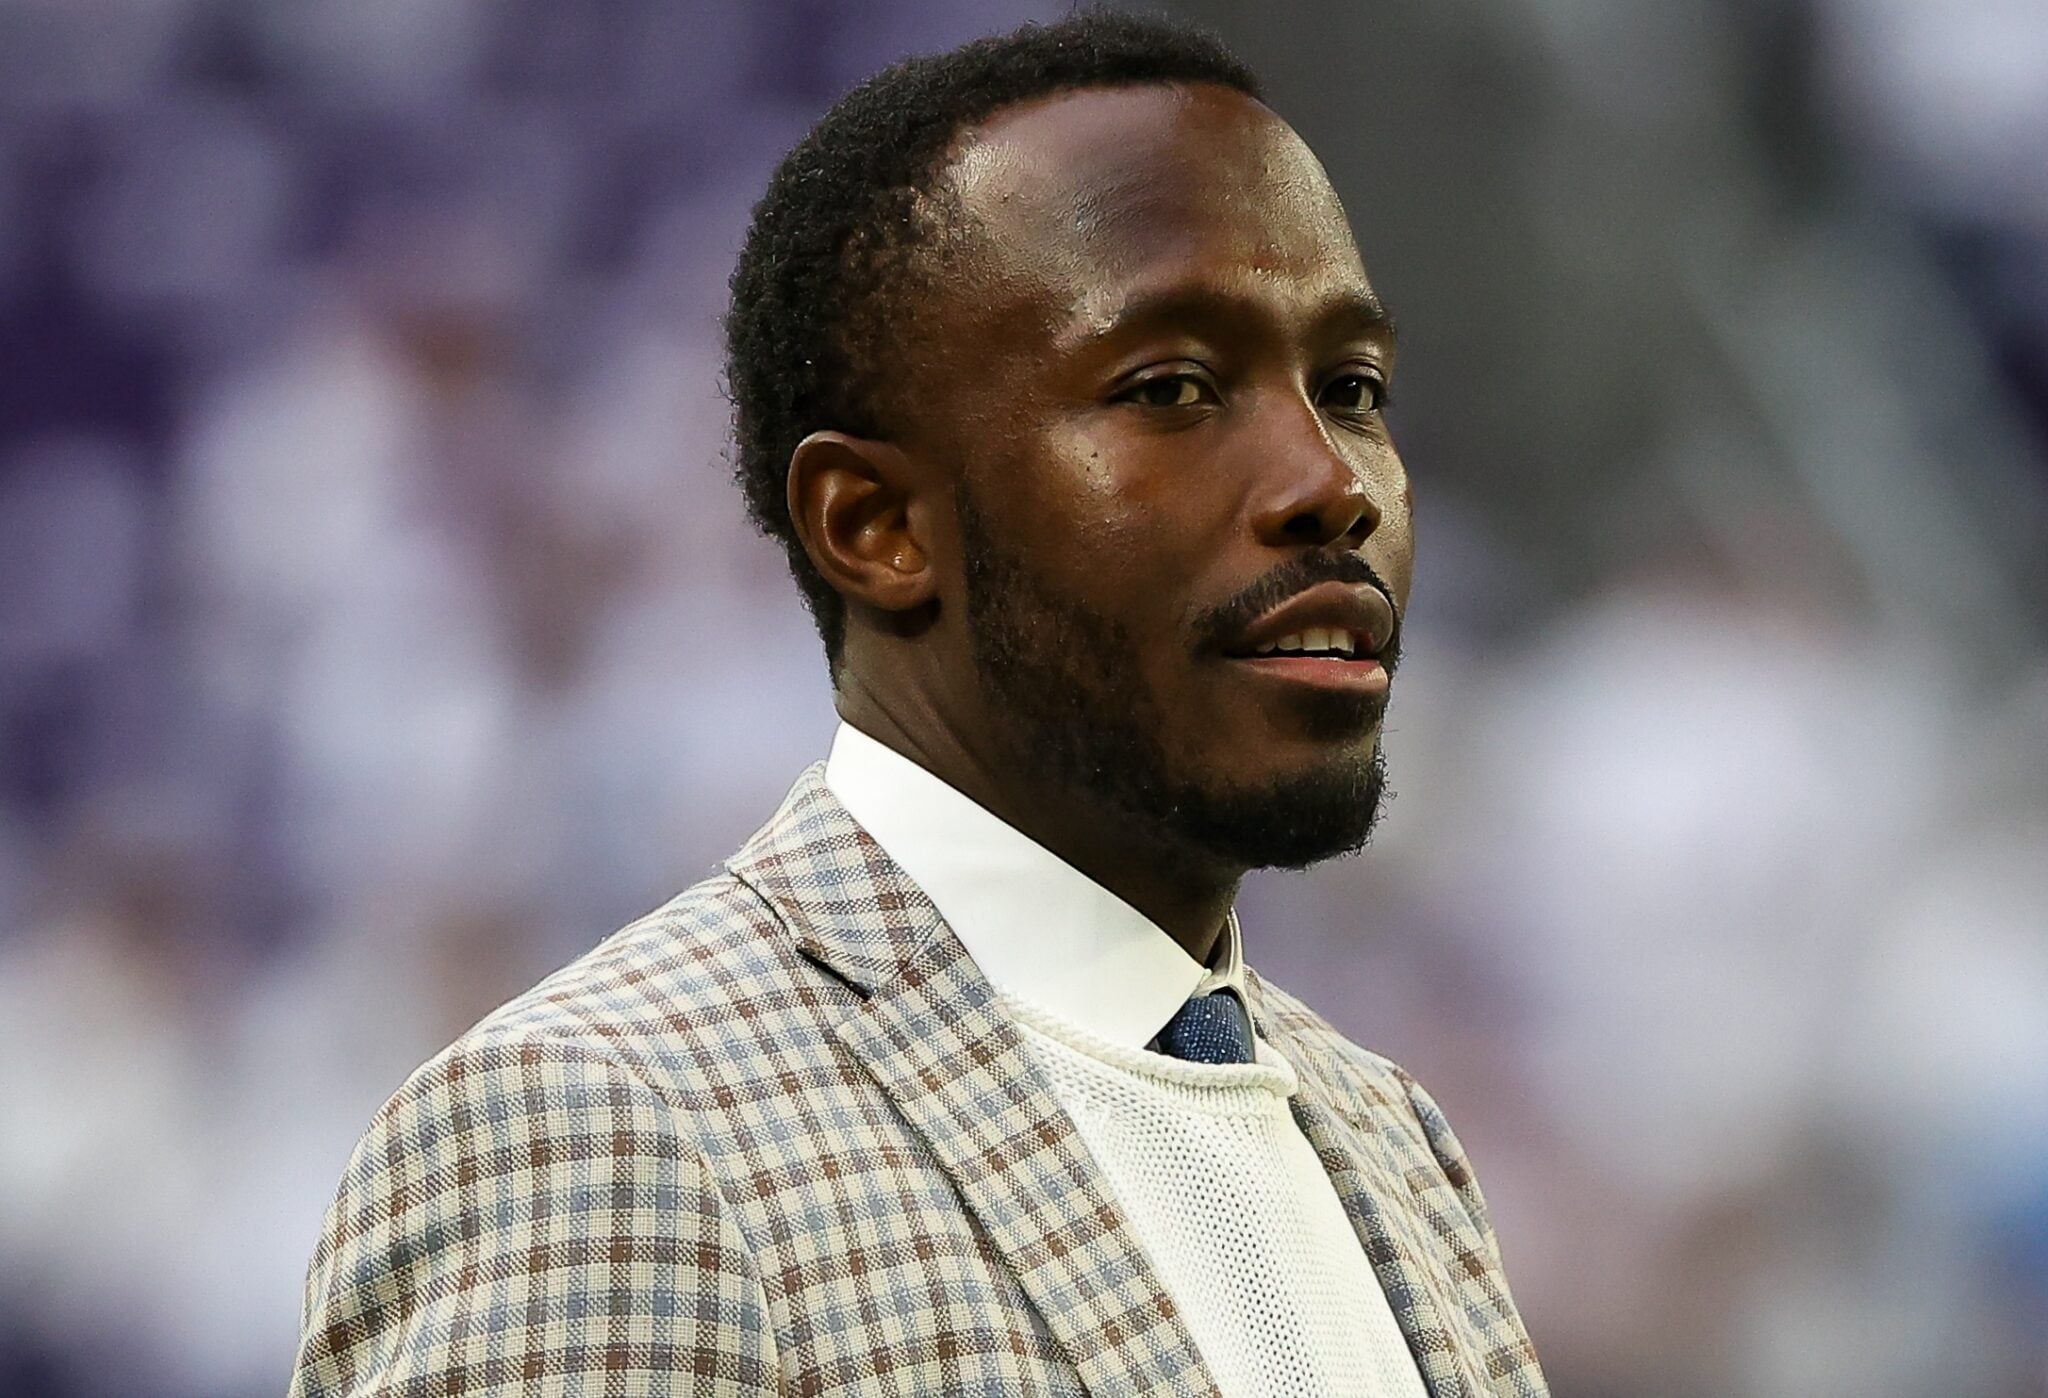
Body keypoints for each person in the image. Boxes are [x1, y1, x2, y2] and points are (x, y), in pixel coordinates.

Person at [289, 13, 1543, 1396]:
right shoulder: (612, 1131)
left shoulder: (1390, 1137)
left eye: (1351, 386)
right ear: (876, 522)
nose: (1333, 480)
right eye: (1173, 388)